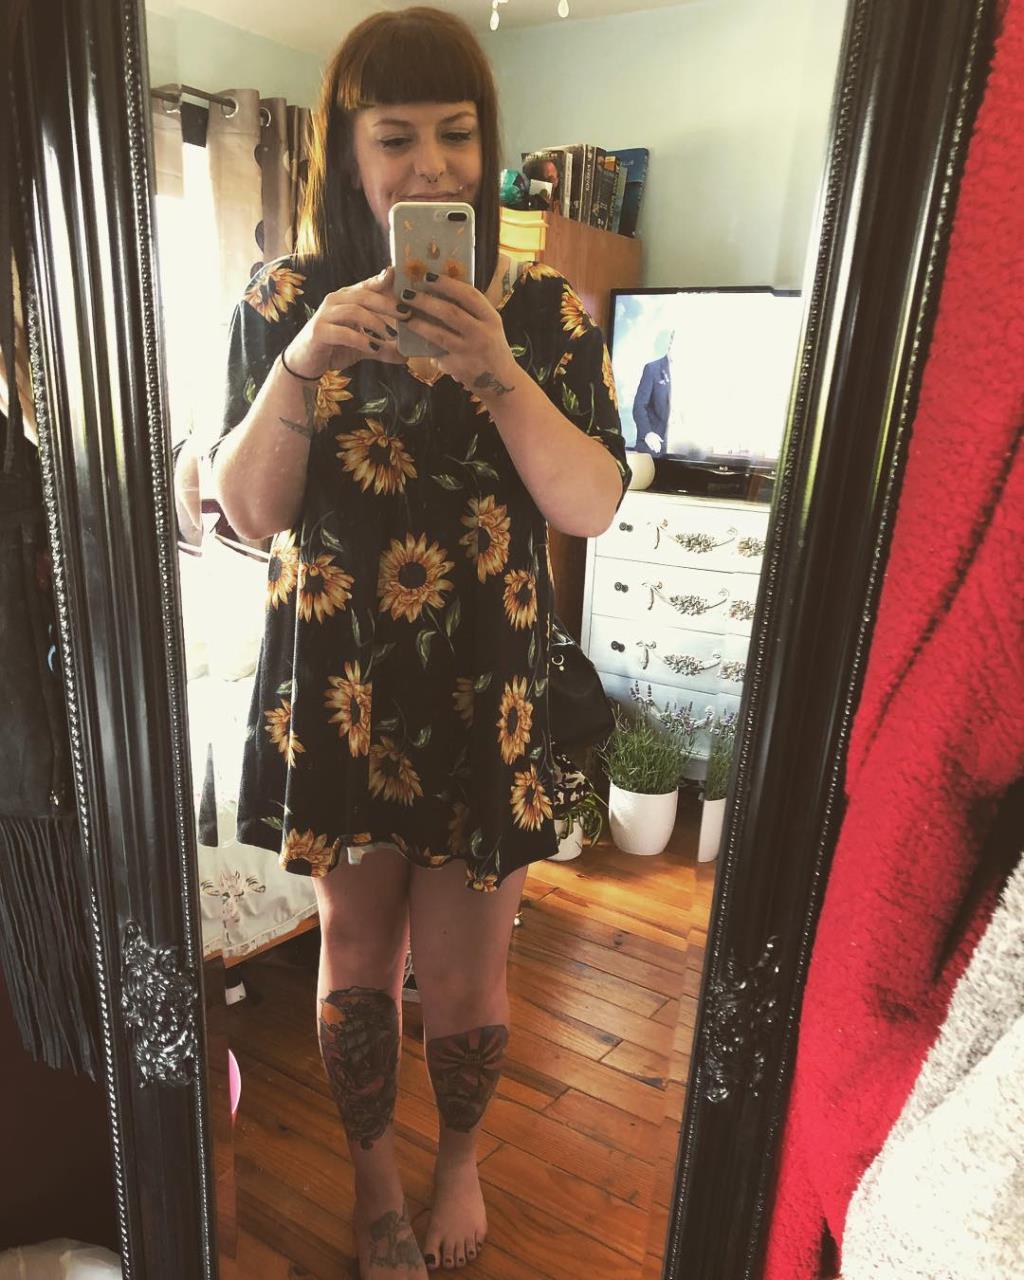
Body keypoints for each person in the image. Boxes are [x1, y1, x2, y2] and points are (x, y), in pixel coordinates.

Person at [209, 8, 630, 1278]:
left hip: (485, 695)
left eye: (456, 134)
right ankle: (375, 1178)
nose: (432, 164)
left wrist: (497, 369)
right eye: (396, 137)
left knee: (465, 977)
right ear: (346, 152)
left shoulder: (545, 312)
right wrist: (298, 365)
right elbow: (248, 510)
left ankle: (456, 1160)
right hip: (338, 692)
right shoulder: (283, 300)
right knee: (354, 954)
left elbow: (590, 504)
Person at [631, 332, 672, 455]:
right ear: (671, 343)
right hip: (655, 445)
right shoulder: (652, 368)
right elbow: (639, 406)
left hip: (681, 448)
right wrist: (647, 433)